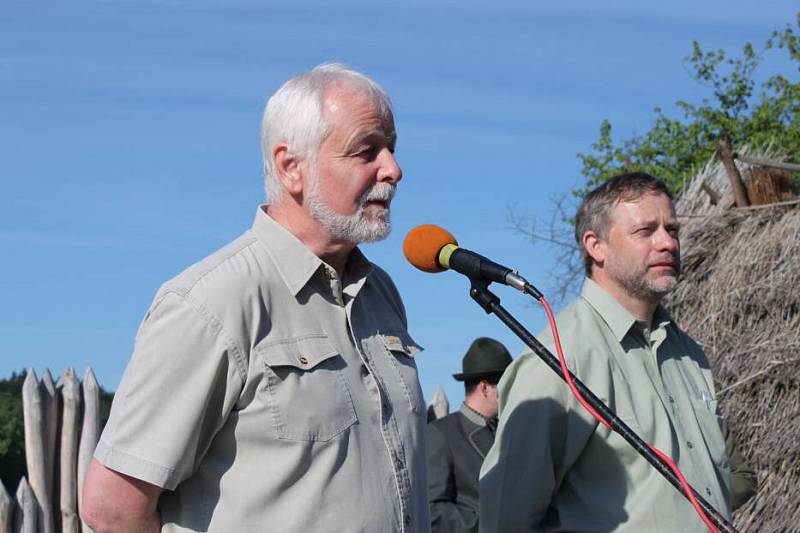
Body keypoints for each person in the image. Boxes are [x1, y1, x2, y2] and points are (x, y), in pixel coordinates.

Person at [81, 63, 429, 532]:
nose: (393, 169)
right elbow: (113, 508)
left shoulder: (381, 293)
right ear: (291, 168)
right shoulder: (210, 302)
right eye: (366, 151)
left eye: (391, 148)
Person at [480, 172, 755, 531]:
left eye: (671, 230)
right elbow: (506, 520)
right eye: (645, 231)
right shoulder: (557, 361)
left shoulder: (688, 353)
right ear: (596, 246)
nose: (667, 243)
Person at [426, 337, 512, 533]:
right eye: (507, 384)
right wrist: (491, 523)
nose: (513, 391)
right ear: (484, 388)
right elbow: (433, 511)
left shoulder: (509, 430)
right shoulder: (440, 434)